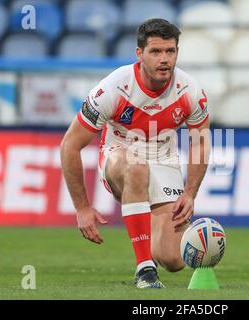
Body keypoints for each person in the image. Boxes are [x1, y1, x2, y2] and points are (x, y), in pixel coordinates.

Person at [60, 19, 211, 289]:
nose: (164, 59)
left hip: (164, 159)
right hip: (118, 156)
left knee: (175, 259)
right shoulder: (113, 89)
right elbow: (70, 145)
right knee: (136, 166)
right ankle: (144, 270)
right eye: (155, 52)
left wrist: (190, 193)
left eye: (170, 51)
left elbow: (200, 142)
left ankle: (142, 222)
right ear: (139, 54)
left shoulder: (190, 91)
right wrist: (82, 208)